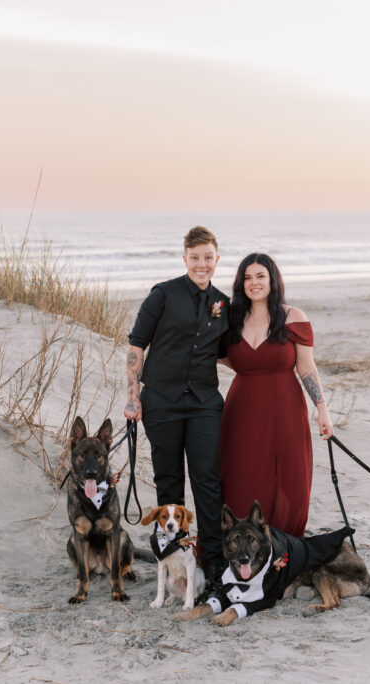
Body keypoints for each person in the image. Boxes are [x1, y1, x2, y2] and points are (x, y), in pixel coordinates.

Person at [124, 226, 230, 593]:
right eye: (195, 257)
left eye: (208, 258)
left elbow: (226, 352)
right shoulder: (162, 295)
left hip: (203, 403)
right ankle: (174, 563)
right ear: (185, 258)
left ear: (217, 260)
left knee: (207, 481)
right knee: (169, 481)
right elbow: (137, 345)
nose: (202, 264)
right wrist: (132, 395)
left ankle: (213, 564)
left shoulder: (222, 303)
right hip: (162, 402)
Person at [218, 253, 334, 537]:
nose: (253, 283)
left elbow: (306, 367)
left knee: (288, 478)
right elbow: (222, 357)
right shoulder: (231, 318)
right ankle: (241, 542)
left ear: (272, 280)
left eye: (260, 276)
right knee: (239, 475)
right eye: (247, 277)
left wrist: (322, 409)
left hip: (286, 408)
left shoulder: (293, 317)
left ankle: (284, 546)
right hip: (241, 409)